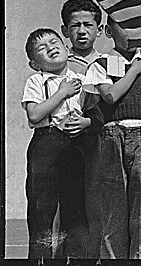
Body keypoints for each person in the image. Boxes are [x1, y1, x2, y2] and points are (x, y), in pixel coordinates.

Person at [82, 16, 141, 259]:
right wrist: (133, 70)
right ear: (109, 33)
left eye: (136, 28)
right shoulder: (101, 63)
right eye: (124, 28)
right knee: (114, 208)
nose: (131, 34)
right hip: (113, 136)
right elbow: (110, 96)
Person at [22, 29, 90, 258]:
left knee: (76, 211)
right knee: (42, 210)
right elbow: (34, 115)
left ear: (66, 48)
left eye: (54, 42)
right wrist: (62, 93)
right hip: (46, 146)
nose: (51, 48)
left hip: (76, 146)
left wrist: (86, 122)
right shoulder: (36, 80)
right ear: (34, 63)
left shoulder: (83, 80)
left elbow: (95, 112)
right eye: (42, 48)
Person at [60, 0, 104, 257]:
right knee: (70, 205)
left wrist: (90, 121)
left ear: (98, 29)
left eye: (88, 25)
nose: (82, 31)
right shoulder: (59, 63)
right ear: (66, 30)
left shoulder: (109, 62)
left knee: (98, 202)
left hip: (98, 140)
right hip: (67, 142)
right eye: (75, 26)